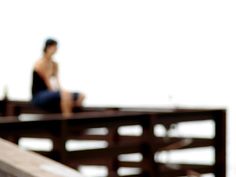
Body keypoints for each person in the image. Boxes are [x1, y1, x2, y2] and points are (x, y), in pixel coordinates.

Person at [32, 39, 85, 117]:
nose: (56, 49)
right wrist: (60, 94)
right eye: (54, 47)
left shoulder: (55, 64)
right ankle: (67, 121)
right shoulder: (40, 63)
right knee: (65, 95)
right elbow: (48, 82)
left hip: (51, 93)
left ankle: (71, 113)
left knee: (81, 95)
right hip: (39, 95)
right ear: (48, 47)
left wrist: (61, 92)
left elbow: (57, 81)